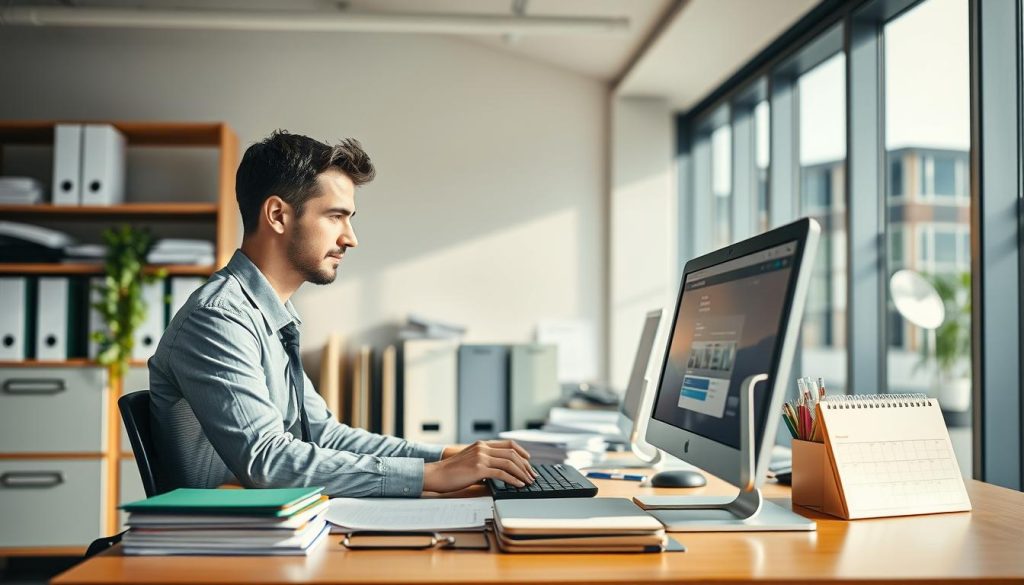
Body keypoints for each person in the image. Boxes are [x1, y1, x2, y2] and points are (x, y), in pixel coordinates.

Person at [149, 130, 536, 497]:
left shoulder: (272, 315)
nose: (350, 237)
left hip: (270, 528)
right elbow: (265, 460)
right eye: (335, 216)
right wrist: (431, 476)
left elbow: (323, 435)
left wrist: (447, 457)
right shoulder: (219, 319)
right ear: (277, 215)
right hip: (223, 545)